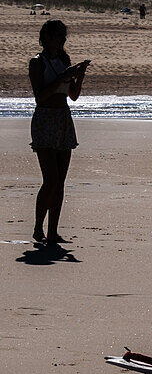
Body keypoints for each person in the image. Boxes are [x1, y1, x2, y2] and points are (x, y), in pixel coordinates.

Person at [28, 19, 88, 244]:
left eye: (64, 36)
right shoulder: (37, 63)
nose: (63, 40)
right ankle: (37, 227)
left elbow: (72, 95)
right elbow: (40, 96)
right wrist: (62, 77)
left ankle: (52, 231)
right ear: (48, 37)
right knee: (50, 179)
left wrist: (78, 77)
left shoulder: (64, 60)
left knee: (60, 181)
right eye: (60, 36)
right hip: (45, 119)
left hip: (63, 117)